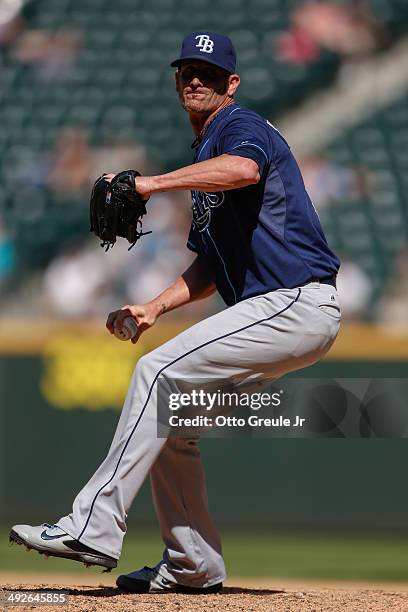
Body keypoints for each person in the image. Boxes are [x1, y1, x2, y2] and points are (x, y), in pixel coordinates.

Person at [10, 32, 341, 594]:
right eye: (187, 69)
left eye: (209, 72)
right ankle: (193, 566)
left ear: (230, 84)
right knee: (175, 422)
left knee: (157, 373)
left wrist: (150, 183)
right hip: (285, 312)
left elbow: (245, 171)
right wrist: (153, 306)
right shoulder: (204, 156)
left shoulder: (240, 129)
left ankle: (93, 526)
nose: (195, 79)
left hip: (293, 302)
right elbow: (209, 268)